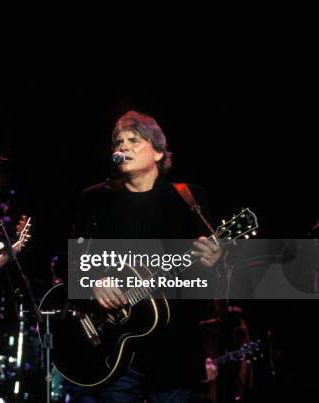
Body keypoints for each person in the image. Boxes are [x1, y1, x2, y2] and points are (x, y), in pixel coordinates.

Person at [72, 110, 221, 403]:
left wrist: (210, 263)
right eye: (118, 142)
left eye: (134, 140)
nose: (123, 147)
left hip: (172, 348)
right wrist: (93, 282)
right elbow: (72, 263)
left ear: (157, 153)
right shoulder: (96, 200)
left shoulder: (188, 199)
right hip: (114, 351)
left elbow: (205, 283)